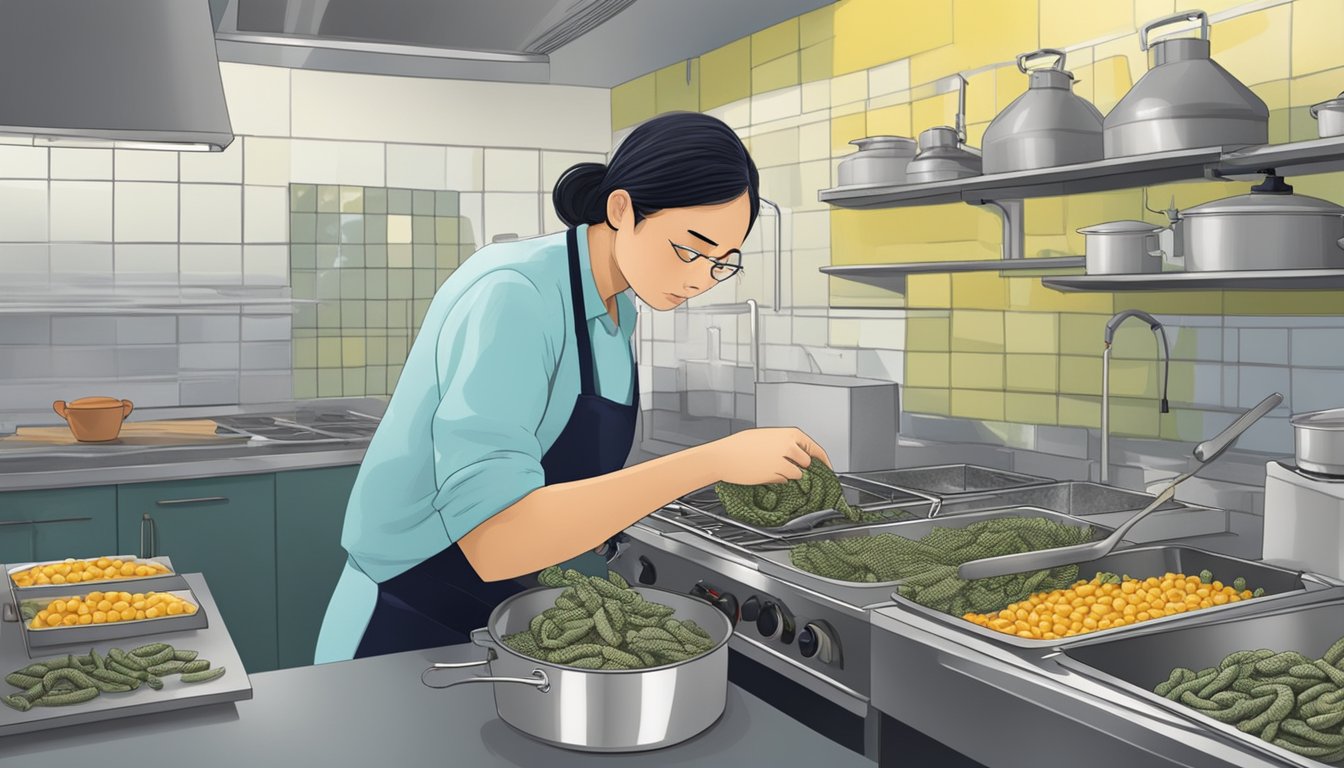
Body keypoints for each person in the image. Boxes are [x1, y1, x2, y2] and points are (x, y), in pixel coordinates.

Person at [314, 111, 832, 663]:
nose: (701, 278)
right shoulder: (514, 294)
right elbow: (496, 538)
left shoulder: (618, 309)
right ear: (621, 209)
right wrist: (714, 462)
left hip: (498, 615)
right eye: (689, 249)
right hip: (402, 620)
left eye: (722, 264)